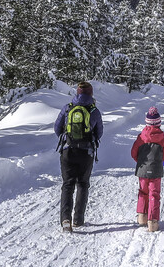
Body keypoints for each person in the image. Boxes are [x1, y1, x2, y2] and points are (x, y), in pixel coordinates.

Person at [54, 81, 103, 232]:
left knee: (67, 185)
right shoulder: (94, 110)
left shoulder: (68, 108)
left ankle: (65, 220)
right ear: (91, 93)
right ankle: (78, 219)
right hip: (86, 153)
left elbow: (57, 128)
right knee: (82, 184)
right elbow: (99, 132)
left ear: (77, 92)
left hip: (68, 151)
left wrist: (67, 138)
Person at [131, 106, 164, 232]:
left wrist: (141, 161)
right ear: (159, 123)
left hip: (142, 170)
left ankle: (141, 217)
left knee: (143, 192)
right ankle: (152, 221)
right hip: (156, 170)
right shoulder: (162, 139)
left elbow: (133, 153)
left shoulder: (141, 137)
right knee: (154, 194)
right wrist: (156, 162)